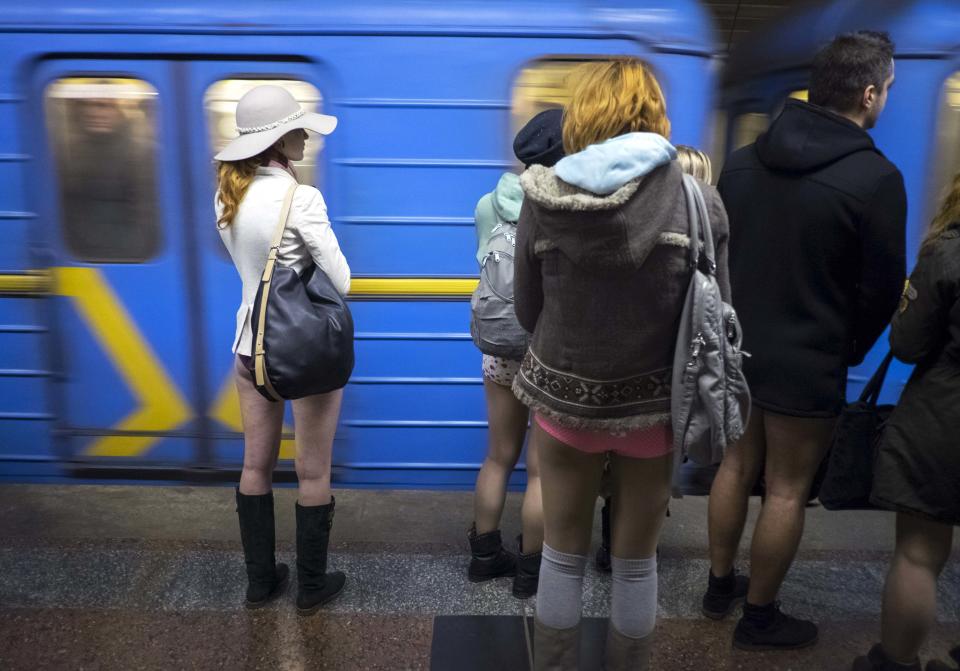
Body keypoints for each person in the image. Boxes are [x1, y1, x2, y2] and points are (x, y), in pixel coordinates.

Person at [512, 57, 730, 670]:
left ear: (582, 118)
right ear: (654, 115)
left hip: (562, 405)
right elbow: (715, 316)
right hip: (656, 412)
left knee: (561, 554)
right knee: (636, 563)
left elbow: (529, 310)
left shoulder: (542, 195)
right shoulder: (697, 201)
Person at [705, 31, 906, 650]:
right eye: (889, 89)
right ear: (869, 94)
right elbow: (880, 289)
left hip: (739, 350)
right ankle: (760, 618)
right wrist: (846, 346)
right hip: (809, 355)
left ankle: (719, 586)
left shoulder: (740, 161)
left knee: (735, 467)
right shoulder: (876, 179)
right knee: (787, 488)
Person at [214, 85, 351, 615]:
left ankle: (260, 582)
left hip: (251, 348)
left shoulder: (228, 194)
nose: (307, 136)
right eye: (300, 128)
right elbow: (342, 279)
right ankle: (312, 587)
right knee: (313, 471)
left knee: (256, 465)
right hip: (302, 351)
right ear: (279, 138)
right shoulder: (303, 197)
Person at [852, 172, 960, 671]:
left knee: (918, 553)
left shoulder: (948, 254)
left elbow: (907, 344)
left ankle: (894, 662)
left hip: (945, 419)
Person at [593, 145, 709, 575]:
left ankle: (610, 544)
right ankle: (635, 550)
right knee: (649, 476)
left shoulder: (632, 225)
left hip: (623, 376)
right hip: (669, 380)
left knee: (611, 470)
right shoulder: (704, 226)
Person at [468, 108, 565, 599]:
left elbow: (481, 257)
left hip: (499, 350)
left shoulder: (490, 202)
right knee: (541, 471)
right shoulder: (563, 207)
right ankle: (531, 571)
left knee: (498, 456)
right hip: (545, 350)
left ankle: (484, 556)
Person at [59, 95, 158, 261]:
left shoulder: (144, 154)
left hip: (132, 255)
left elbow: (149, 213)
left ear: (120, 110)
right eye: (86, 106)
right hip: (81, 254)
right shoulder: (67, 153)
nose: (94, 113)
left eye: (103, 106)